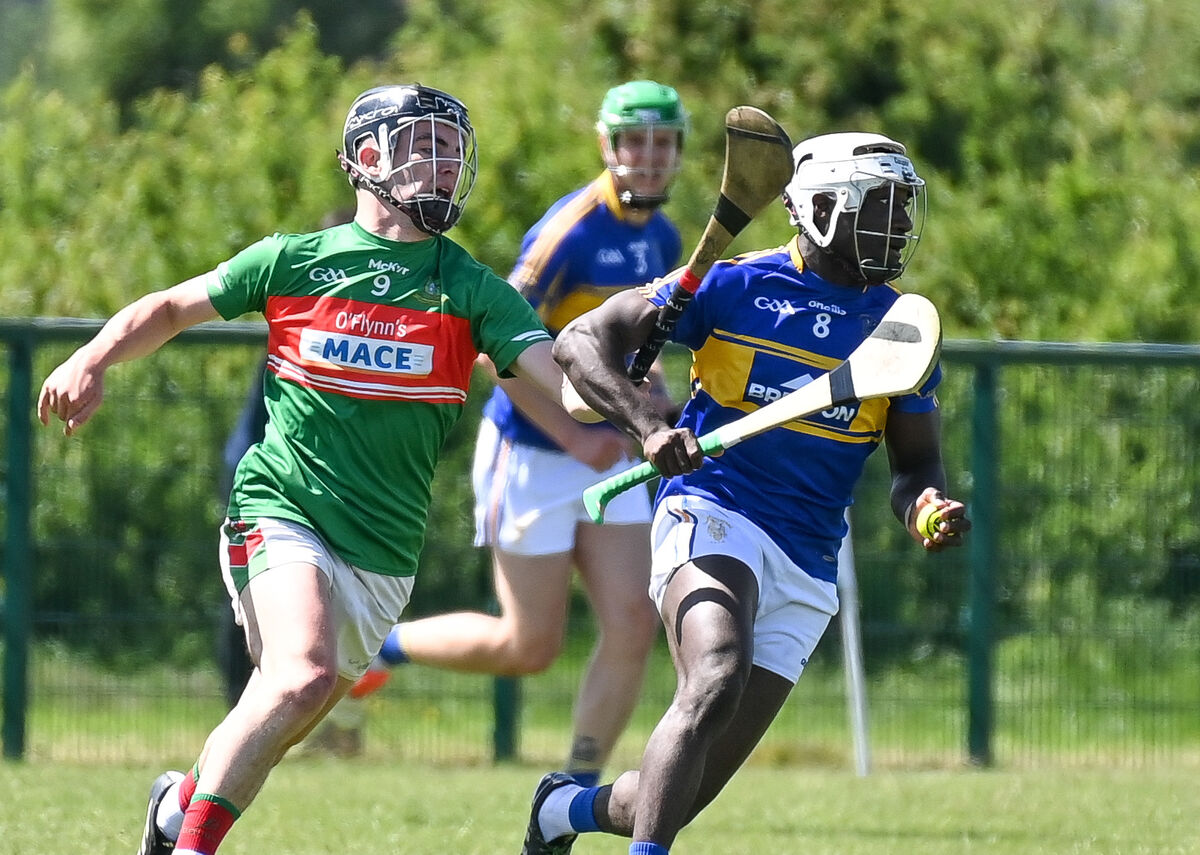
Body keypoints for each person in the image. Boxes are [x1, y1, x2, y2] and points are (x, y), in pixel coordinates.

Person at [36, 83, 567, 855]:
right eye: (424, 145)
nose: (444, 165)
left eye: (451, 151)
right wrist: (94, 356)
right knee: (304, 674)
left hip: (382, 554)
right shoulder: (297, 259)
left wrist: (633, 387)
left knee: (280, 712)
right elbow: (173, 307)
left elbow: (571, 390)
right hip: (279, 506)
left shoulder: (475, 291)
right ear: (367, 158)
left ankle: (173, 808)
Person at [520, 131, 972, 855]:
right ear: (820, 210)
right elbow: (578, 342)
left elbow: (914, 469)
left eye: (900, 211)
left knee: (681, 790)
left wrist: (927, 510)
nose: (894, 228)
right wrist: (646, 425)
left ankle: (563, 809)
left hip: (809, 556)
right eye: (876, 209)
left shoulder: (900, 332)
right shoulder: (735, 286)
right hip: (713, 506)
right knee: (716, 671)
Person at [348, 80, 688, 784]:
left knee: (632, 621)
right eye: (635, 140)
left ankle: (575, 787)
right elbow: (488, 351)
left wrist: (647, 391)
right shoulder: (570, 229)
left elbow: (626, 349)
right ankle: (388, 647)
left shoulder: (663, 235)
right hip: (532, 449)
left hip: (610, 450)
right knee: (529, 643)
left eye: (663, 142)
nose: (649, 157)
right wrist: (573, 437)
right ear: (608, 145)